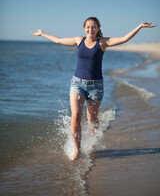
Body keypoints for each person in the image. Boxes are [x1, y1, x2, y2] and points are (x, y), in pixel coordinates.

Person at [32, 17, 156, 160]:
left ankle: (91, 144)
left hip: (96, 86)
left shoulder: (102, 42)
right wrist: (43, 34)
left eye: (93, 27)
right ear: (84, 28)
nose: (90, 29)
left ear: (98, 28)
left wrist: (139, 26)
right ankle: (77, 150)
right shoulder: (79, 40)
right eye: (88, 27)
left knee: (92, 119)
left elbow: (124, 39)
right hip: (77, 83)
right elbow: (59, 40)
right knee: (76, 116)